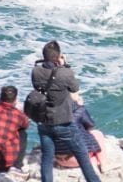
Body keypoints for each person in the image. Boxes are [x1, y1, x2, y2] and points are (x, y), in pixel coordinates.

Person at [30, 41, 101, 182]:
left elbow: (40, 85)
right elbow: (75, 91)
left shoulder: (35, 71)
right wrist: (64, 65)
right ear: (58, 57)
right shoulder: (65, 72)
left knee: (47, 159)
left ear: (44, 56)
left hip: (44, 123)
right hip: (64, 123)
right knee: (82, 156)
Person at [56, 91, 104, 171]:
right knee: (97, 134)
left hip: (59, 160)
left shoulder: (52, 111)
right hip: (76, 160)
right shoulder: (78, 109)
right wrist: (81, 106)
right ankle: (103, 164)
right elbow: (90, 125)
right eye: (77, 94)